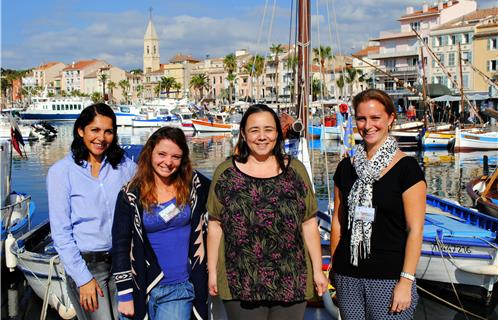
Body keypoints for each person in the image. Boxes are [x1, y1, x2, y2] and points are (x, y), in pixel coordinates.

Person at [207, 104, 328, 320]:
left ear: (277, 134)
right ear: (243, 134)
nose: (262, 137)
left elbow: (309, 223)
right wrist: (213, 272)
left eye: (269, 130)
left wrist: (318, 270)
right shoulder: (225, 173)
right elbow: (215, 225)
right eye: (254, 130)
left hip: (291, 278)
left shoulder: (296, 171)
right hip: (240, 281)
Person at [330, 89, 426, 319]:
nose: (368, 125)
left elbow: (415, 229)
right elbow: (338, 222)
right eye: (362, 118)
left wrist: (406, 280)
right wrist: (334, 267)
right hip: (348, 276)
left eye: (375, 118)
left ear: (391, 118)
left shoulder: (407, 169)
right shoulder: (346, 168)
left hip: (390, 278)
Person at [48, 103, 137, 320]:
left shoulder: (124, 167)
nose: (101, 138)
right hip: (88, 267)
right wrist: (83, 279)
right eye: (95, 130)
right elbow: (61, 234)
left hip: (122, 262)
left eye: (108, 131)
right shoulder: (61, 172)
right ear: (81, 131)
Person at [112, 126, 210, 320]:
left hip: (179, 288)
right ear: (150, 154)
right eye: (162, 154)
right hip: (139, 285)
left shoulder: (194, 184)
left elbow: (225, 192)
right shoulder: (130, 194)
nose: (168, 162)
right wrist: (125, 294)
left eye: (176, 156)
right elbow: (120, 244)